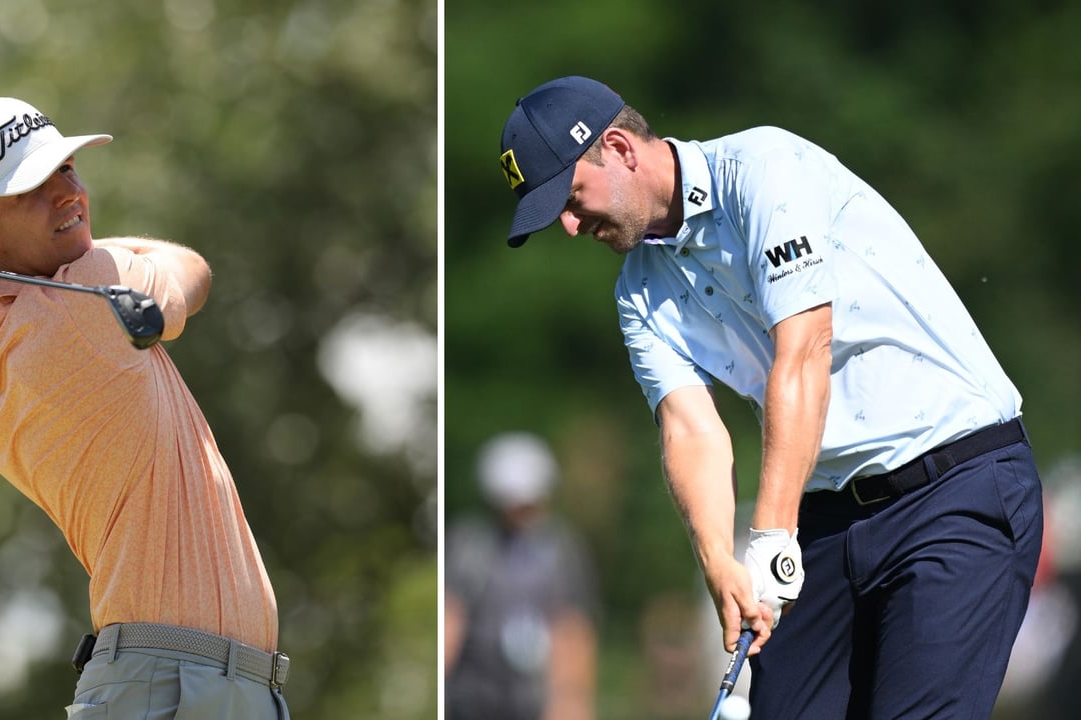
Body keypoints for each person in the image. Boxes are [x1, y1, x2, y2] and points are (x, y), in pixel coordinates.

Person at [496, 76, 1043, 719]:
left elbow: (804, 352)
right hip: (831, 520)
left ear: (618, 148)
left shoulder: (764, 169)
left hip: (955, 487)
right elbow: (690, 429)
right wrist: (720, 560)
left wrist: (772, 537)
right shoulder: (637, 292)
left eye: (569, 197)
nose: (567, 224)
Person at [0, 97, 290, 719]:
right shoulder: (90, 289)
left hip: (175, 683)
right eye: (33, 186)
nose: (69, 192)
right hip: (173, 685)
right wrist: (62, 259)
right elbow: (192, 270)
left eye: (66, 168)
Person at [444, 431, 599, 720]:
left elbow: (572, 630)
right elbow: (450, 619)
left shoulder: (563, 549)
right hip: (473, 697)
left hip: (536, 699)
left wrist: (571, 701)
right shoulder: (469, 545)